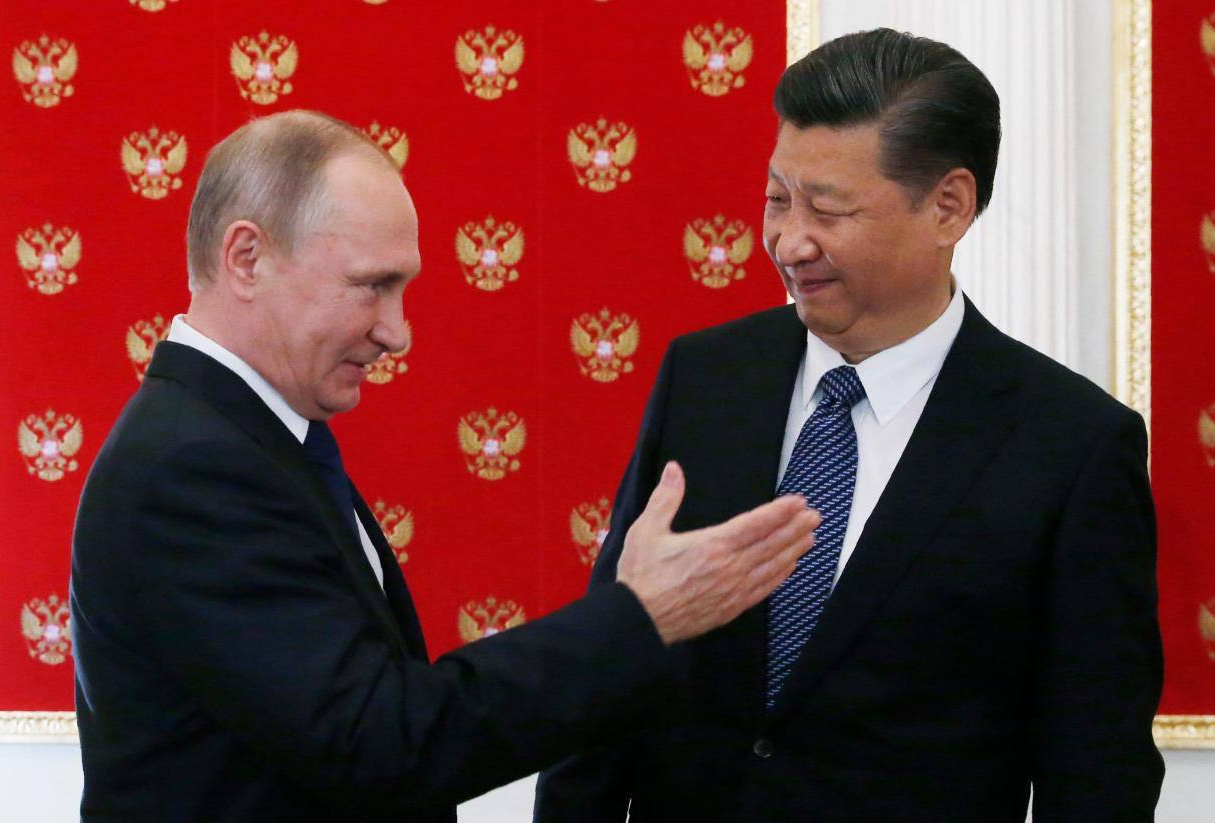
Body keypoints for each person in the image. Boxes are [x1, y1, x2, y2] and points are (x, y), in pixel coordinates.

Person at [69, 110, 821, 823]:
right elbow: (381, 740)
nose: (397, 332)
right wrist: (640, 615)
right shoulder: (190, 468)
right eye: (373, 285)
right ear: (246, 257)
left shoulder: (240, 440)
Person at [535, 28, 1164, 822]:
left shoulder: (1070, 445)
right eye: (776, 197)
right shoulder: (705, 378)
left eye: (828, 208)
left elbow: (1097, 769)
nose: (790, 240)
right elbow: (612, 663)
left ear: (948, 206)